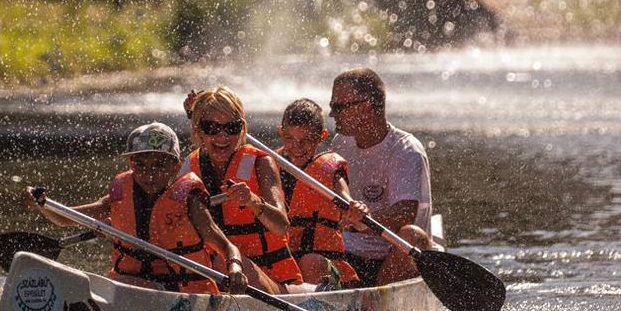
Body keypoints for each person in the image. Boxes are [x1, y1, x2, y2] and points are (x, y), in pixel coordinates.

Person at [23, 122, 248, 295]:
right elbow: (65, 218)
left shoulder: (190, 202)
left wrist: (235, 270)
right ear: (131, 165)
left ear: (175, 166)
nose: (149, 174)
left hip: (183, 293)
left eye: (159, 165)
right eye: (140, 165)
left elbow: (228, 248)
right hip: (131, 288)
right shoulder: (120, 195)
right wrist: (41, 204)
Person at [182, 86, 304, 293]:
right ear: (198, 130)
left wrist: (253, 201)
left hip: (272, 282)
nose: (222, 136)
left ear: (242, 129)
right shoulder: (188, 167)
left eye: (231, 127)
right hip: (217, 278)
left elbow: (281, 226)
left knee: (226, 263)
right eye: (211, 127)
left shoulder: (260, 163)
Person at [328, 68, 433, 286]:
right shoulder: (340, 143)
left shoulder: (406, 150)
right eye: (332, 107)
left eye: (339, 107)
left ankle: (374, 295)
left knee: (411, 235)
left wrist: (360, 221)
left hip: (391, 256)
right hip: (347, 253)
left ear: (366, 106)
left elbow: (405, 215)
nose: (332, 114)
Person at [276, 98, 369, 288]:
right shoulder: (268, 165)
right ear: (281, 133)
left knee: (310, 262)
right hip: (283, 263)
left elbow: (356, 218)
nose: (297, 147)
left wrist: (356, 210)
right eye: (290, 139)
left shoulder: (330, 172)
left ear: (322, 136)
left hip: (324, 266)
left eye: (306, 140)